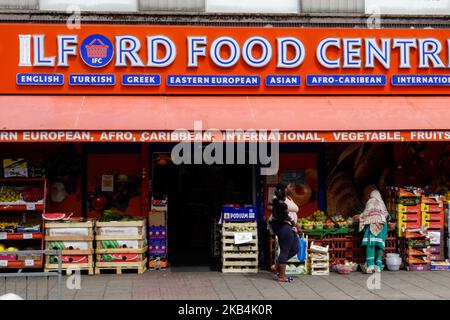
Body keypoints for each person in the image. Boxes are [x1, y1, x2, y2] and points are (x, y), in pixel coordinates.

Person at [269, 182, 300, 282]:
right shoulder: (279, 197)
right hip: (283, 225)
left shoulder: (289, 198)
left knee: (295, 248)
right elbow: (270, 206)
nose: (293, 188)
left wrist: (297, 226)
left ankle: (277, 265)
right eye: (290, 186)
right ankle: (281, 276)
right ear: (284, 189)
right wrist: (278, 210)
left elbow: (293, 212)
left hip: (291, 226)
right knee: (285, 249)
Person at [356, 185, 391, 274]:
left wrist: (359, 217)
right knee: (379, 246)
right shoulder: (382, 203)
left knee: (370, 245)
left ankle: (370, 266)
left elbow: (365, 214)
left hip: (371, 226)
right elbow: (387, 215)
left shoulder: (370, 201)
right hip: (381, 227)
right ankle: (378, 267)